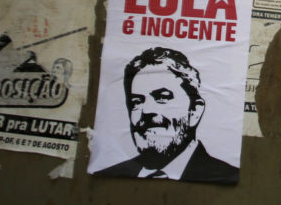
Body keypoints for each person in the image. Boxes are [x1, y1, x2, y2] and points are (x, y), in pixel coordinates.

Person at [93, 47, 238, 184]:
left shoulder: (225, 175)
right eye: (137, 101)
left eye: (162, 97)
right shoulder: (109, 174)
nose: (147, 110)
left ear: (194, 111)